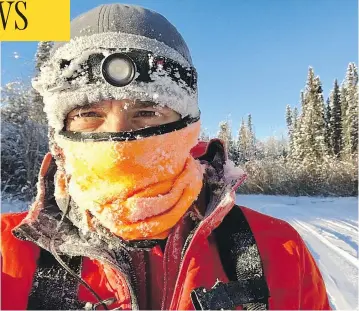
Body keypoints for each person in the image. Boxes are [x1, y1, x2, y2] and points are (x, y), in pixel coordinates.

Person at [1, 3, 331, 310]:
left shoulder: (280, 250)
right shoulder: (7, 255)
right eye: (89, 113)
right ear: (61, 132)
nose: (118, 138)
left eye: (148, 112)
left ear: (186, 124)